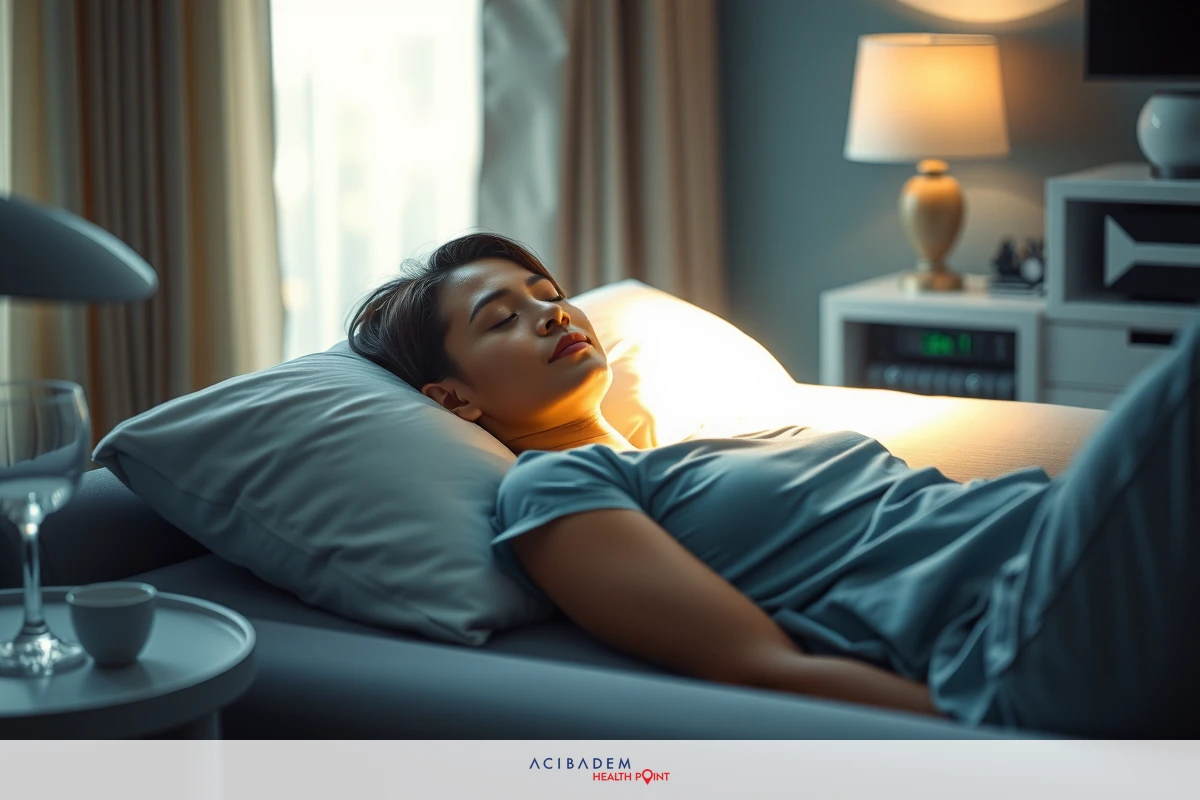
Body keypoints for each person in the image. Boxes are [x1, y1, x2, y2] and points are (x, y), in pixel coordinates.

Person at [349, 232, 1200, 736]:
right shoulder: (554, 489)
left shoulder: (718, 437)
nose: (553, 314)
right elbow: (755, 664)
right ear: (453, 397)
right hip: (1017, 634)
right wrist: (991, 745)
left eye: (550, 294)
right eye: (503, 317)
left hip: (1058, 548)